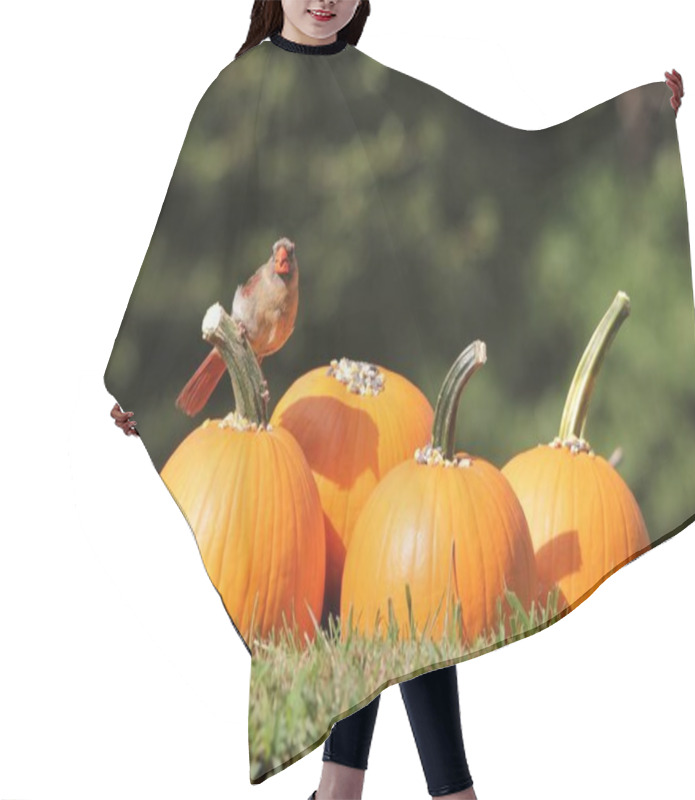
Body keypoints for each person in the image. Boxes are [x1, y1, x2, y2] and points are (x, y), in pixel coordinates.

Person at [113, 2, 478, 798]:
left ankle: (345, 788)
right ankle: (414, 789)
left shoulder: (378, 86)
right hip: (282, 432)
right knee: (361, 590)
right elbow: (182, 217)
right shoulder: (239, 87)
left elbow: (491, 141)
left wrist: (655, 114)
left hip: (353, 398)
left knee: (382, 580)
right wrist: (132, 386)